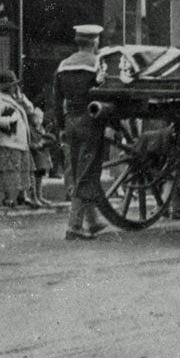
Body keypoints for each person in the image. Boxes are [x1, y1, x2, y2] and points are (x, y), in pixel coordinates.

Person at [53, 24, 110, 240]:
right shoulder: (97, 63)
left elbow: (57, 100)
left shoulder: (63, 65)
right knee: (87, 173)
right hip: (90, 122)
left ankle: (93, 220)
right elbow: (103, 93)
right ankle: (74, 226)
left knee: (78, 171)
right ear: (95, 42)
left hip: (70, 122)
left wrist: (61, 127)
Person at [0, 71, 38, 209]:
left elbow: (30, 110)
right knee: (9, 170)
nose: (14, 88)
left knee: (22, 169)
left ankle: (21, 195)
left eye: (15, 85)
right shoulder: (0, 100)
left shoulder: (17, 99)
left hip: (20, 142)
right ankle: (9, 197)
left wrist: (22, 98)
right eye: (12, 85)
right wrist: (9, 121)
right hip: (7, 141)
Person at [28, 108, 56, 207]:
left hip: (42, 156)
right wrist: (37, 145)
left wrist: (46, 134)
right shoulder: (30, 129)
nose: (39, 120)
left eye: (40, 118)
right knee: (34, 177)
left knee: (40, 177)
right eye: (37, 118)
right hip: (35, 155)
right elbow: (30, 142)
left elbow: (44, 138)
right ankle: (34, 196)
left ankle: (40, 196)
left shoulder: (40, 127)